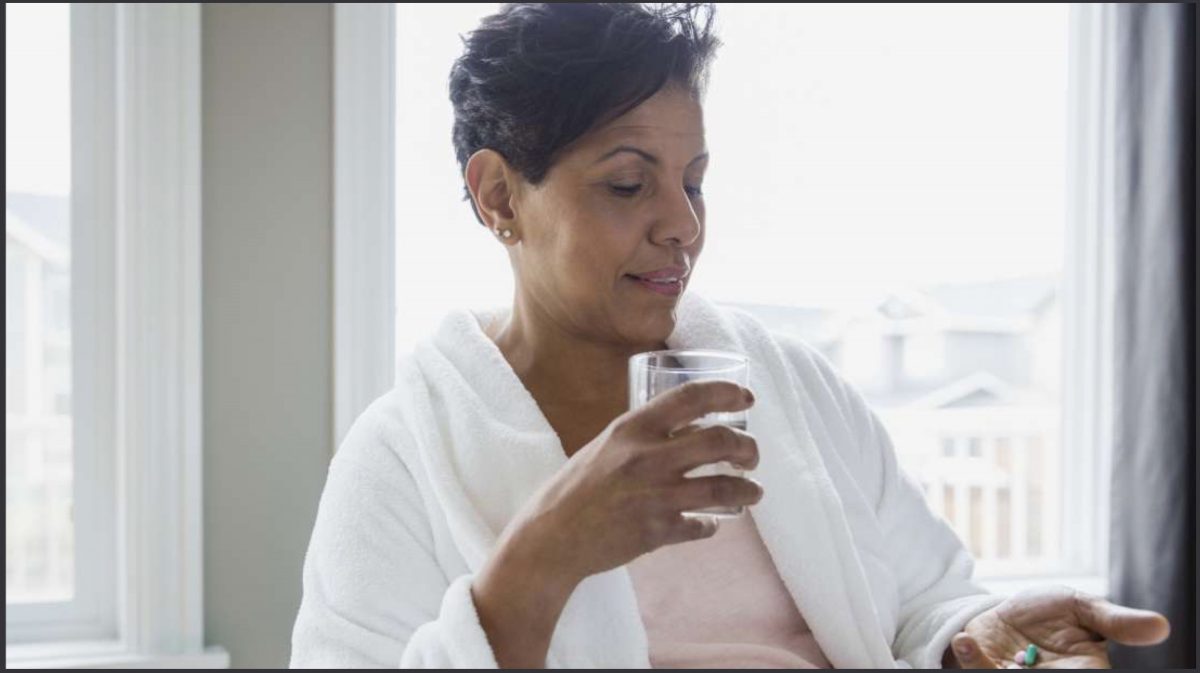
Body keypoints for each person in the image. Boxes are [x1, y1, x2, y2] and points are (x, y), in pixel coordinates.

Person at [289, 4, 1170, 668]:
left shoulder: (790, 387)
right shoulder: (401, 460)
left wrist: (974, 638)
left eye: (695, 182)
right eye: (628, 184)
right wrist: (540, 558)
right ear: (498, 196)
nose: (682, 224)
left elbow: (925, 604)